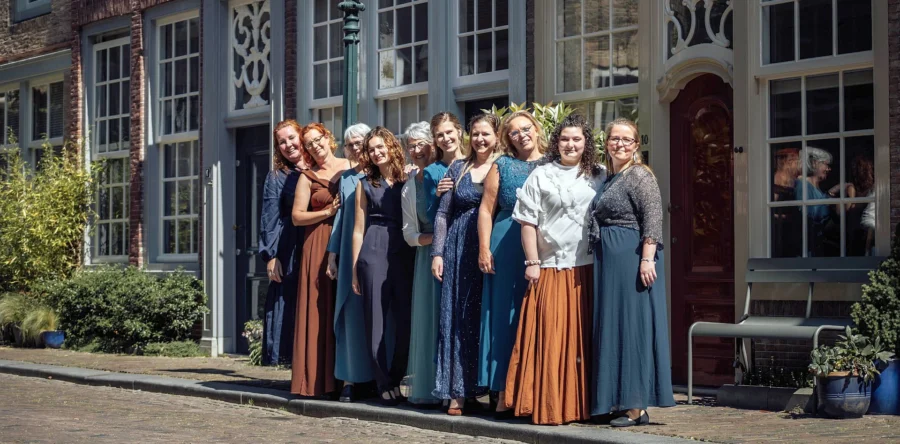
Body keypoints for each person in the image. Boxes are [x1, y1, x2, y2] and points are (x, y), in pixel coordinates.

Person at [504, 114, 604, 425]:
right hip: (550, 267)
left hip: (588, 269)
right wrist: (532, 262)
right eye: (565, 139)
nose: (570, 144)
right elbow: (527, 223)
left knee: (583, 341)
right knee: (552, 338)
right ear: (556, 142)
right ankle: (550, 405)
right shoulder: (541, 175)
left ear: (586, 143)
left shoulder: (598, 175)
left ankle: (583, 405)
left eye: (577, 139)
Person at [587, 117, 675, 427]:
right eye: (614, 139)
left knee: (632, 327)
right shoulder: (611, 177)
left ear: (636, 145)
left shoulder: (640, 175)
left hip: (632, 257)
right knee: (614, 327)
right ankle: (618, 399)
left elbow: (652, 217)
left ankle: (636, 405)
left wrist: (647, 259)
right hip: (610, 262)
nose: (620, 144)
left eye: (627, 139)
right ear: (606, 143)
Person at [476, 111, 546, 417]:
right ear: (507, 138)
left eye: (526, 128)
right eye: (514, 132)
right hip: (505, 244)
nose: (521, 135)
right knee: (505, 318)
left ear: (536, 129)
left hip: (545, 246)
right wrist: (483, 248)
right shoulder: (501, 165)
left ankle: (536, 390)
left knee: (537, 317)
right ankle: (503, 391)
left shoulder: (554, 163)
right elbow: (485, 210)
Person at [431, 114, 501, 415]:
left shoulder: (503, 166)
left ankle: (495, 390)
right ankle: (458, 390)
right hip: (458, 249)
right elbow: (443, 214)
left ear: (497, 136)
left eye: (485, 134)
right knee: (459, 318)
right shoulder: (458, 167)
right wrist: (437, 252)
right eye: (475, 134)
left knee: (489, 317)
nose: (480, 139)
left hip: (494, 246)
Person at [350, 127, 416, 405]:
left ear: (391, 146)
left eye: (380, 147)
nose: (376, 153)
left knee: (405, 322)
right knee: (375, 322)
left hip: (404, 252)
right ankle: (382, 382)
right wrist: (354, 268)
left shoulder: (409, 178)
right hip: (373, 250)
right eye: (371, 149)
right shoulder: (364, 183)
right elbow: (357, 229)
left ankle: (397, 376)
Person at [290, 122, 350, 397]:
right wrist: (327, 212)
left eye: (318, 140)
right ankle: (317, 381)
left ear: (328, 138)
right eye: (309, 144)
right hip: (317, 244)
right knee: (319, 310)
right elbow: (297, 216)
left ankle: (348, 378)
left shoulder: (350, 165)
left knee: (346, 310)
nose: (315, 146)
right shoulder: (307, 176)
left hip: (349, 240)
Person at [326, 123, 375, 402]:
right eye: (350, 144)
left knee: (378, 314)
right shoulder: (345, 178)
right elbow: (341, 218)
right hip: (348, 251)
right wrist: (333, 254)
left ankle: (376, 378)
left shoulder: (382, 171)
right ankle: (349, 379)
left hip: (377, 247)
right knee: (349, 315)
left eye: (360, 143)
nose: (355, 148)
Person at [400, 121, 441, 407]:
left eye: (420, 144)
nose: (416, 150)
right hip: (427, 257)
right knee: (430, 322)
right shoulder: (408, 186)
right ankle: (430, 387)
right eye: (411, 146)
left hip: (455, 253)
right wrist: (434, 238)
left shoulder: (447, 172)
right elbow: (409, 234)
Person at [260, 119, 306, 366]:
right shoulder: (278, 177)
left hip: (318, 244)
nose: (288, 145)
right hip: (290, 249)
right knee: (290, 306)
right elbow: (270, 218)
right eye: (282, 142)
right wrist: (271, 255)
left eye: (291, 138)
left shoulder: (321, 168)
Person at [424, 112, 466, 225]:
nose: (446, 138)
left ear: (459, 132)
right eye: (440, 135)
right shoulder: (431, 172)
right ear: (436, 141)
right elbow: (431, 215)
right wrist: (437, 195)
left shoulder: (475, 163)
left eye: (449, 132)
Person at [795, 147, 838, 256]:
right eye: (826, 164)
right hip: (808, 248)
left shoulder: (816, 187)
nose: (829, 169)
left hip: (819, 246)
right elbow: (810, 214)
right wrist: (831, 193)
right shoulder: (802, 184)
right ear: (814, 163)